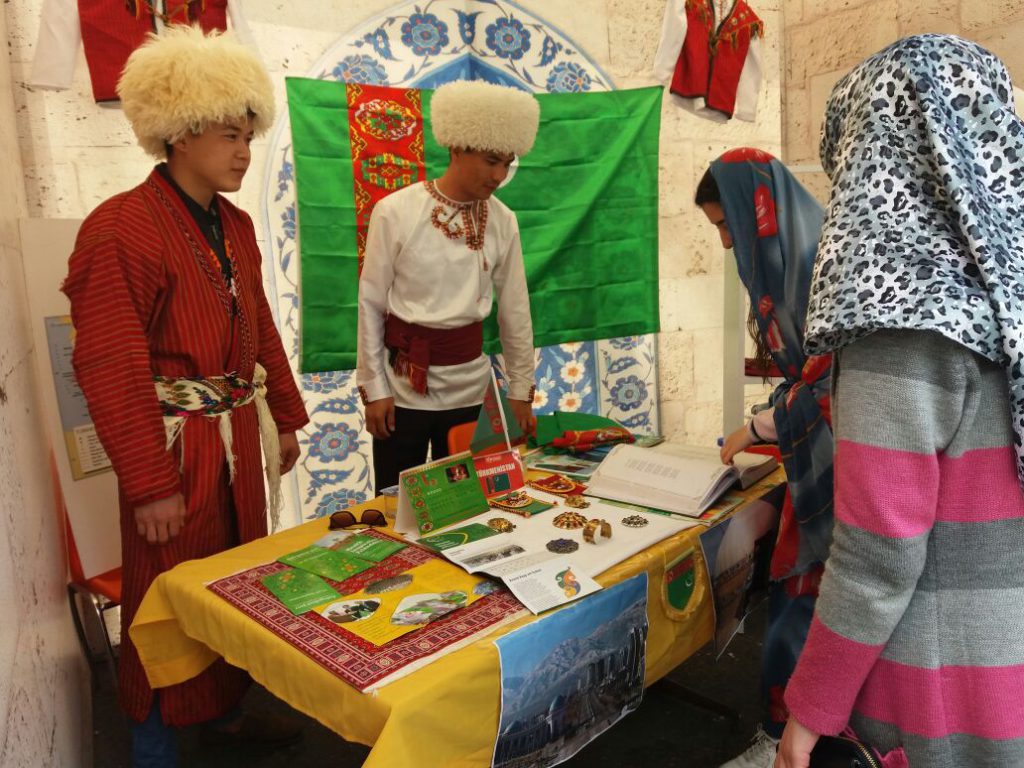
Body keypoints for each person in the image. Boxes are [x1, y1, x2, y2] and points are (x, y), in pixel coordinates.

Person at [62, 26, 309, 768]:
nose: (244, 152)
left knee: (235, 582)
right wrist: (149, 485)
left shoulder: (234, 225)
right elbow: (109, 362)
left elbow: (258, 324)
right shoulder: (120, 228)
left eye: (248, 136)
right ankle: (153, 746)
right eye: (230, 135)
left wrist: (285, 418)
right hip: (176, 452)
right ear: (180, 131)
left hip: (236, 437)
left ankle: (226, 713)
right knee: (164, 595)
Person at [776, 34, 1024, 768]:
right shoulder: (1007, 291)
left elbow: (879, 553)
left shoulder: (902, 321)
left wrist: (808, 713)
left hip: (937, 689)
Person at [695, 148, 835, 768]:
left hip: (845, 466)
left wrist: (758, 426)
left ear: (760, 212)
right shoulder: (789, 266)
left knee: (817, 602)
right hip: (819, 455)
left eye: (727, 225)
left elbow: (831, 384)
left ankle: (801, 740)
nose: (727, 243)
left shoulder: (822, 268)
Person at [357, 79, 539, 494]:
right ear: (457, 147)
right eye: (490, 161)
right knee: (395, 504)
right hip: (403, 389)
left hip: (472, 390)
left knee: (473, 501)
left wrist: (520, 389)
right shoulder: (396, 211)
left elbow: (515, 308)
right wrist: (374, 387)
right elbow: (370, 302)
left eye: (507, 163)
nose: (499, 175)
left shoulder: (503, 219)